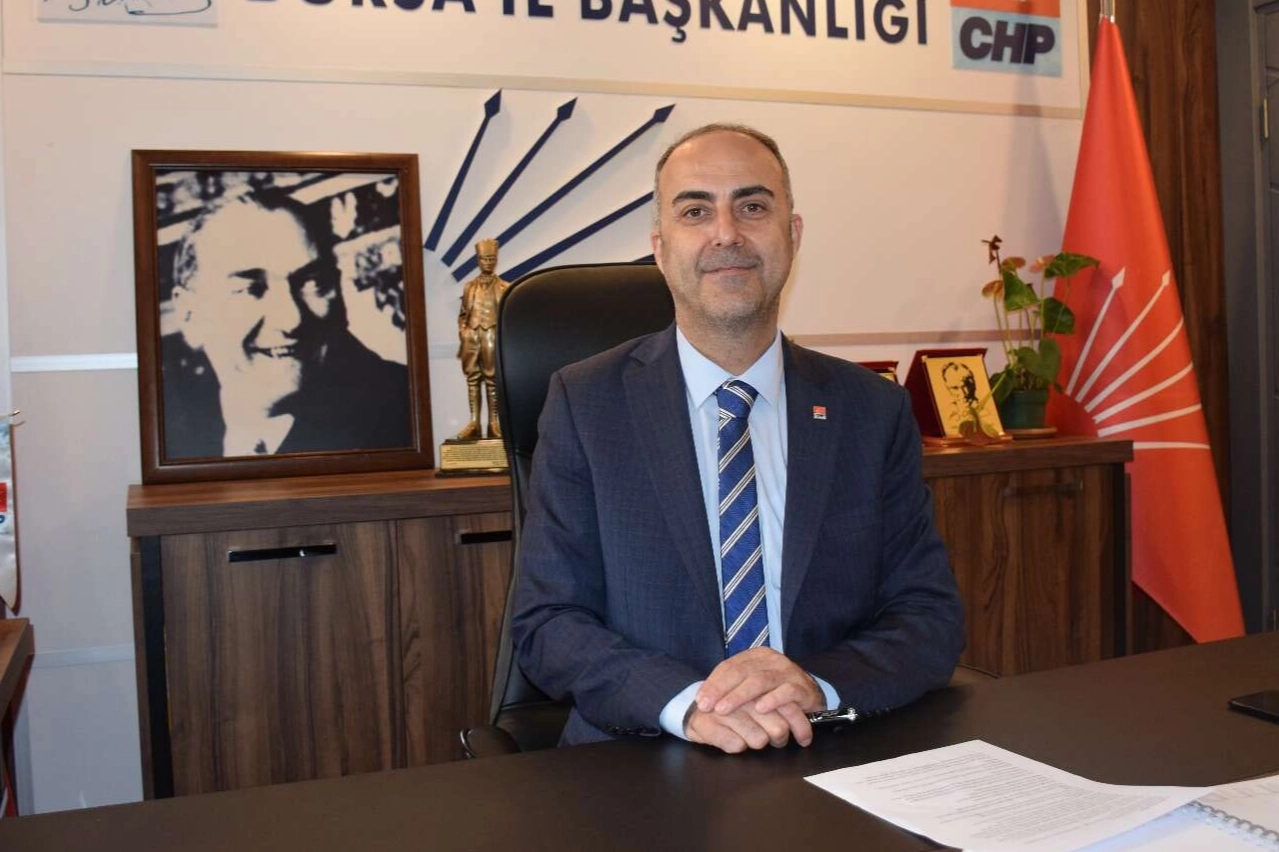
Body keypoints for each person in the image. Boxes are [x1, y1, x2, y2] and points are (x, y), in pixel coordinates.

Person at [510, 124, 964, 754]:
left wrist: (816, 684)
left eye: (752, 206)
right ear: (660, 247)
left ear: (792, 235)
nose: (726, 233)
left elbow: (929, 617)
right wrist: (689, 705)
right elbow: (548, 623)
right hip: (644, 754)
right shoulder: (586, 403)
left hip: (825, 745)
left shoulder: (871, 411)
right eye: (695, 211)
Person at [162, 190, 412, 459]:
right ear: (190, 313)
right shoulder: (171, 432)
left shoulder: (404, 415)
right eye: (250, 289)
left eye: (312, 283)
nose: (291, 319)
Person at [454, 238, 510, 441]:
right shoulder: (469, 287)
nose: (488, 262)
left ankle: (494, 422)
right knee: (472, 378)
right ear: (478, 260)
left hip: (491, 335)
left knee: (492, 380)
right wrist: (464, 332)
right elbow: (463, 314)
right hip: (472, 336)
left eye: (491, 258)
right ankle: (474, 422)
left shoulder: (505, 287)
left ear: (496, 260)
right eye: (484, 259)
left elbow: (507, 316)